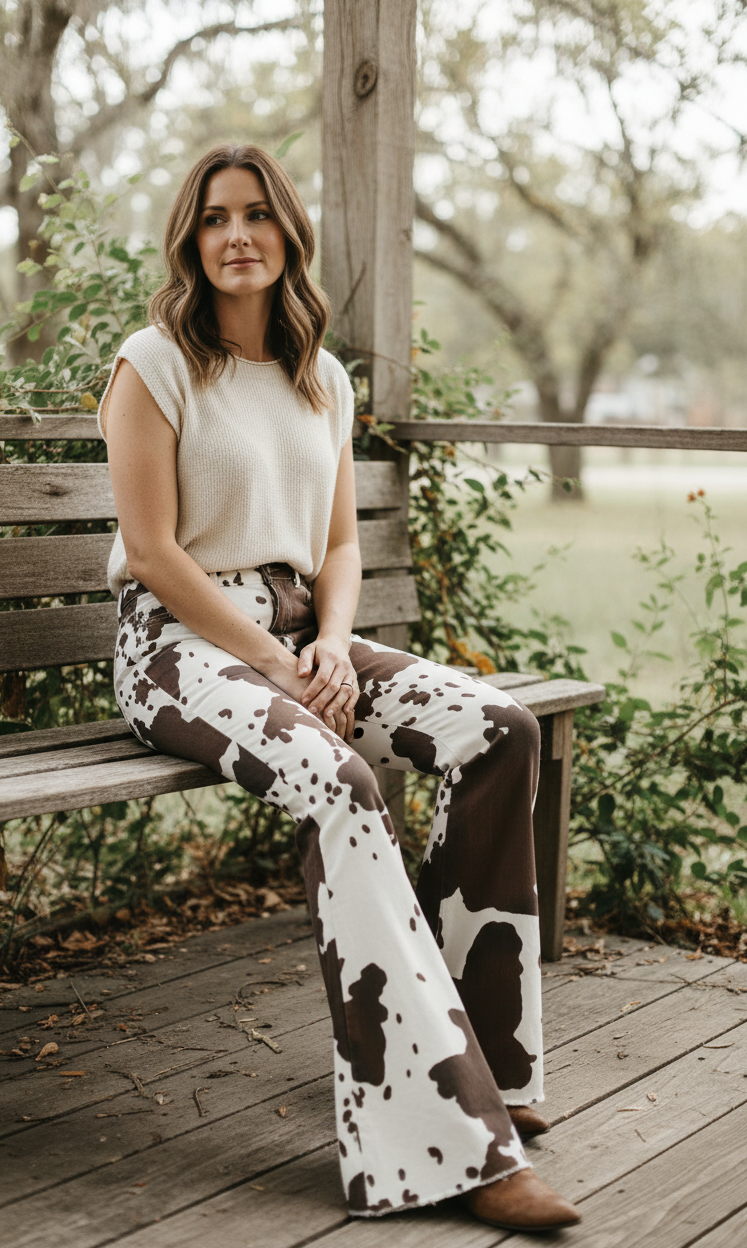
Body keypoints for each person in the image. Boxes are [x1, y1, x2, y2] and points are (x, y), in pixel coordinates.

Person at [99, 142, 580, 1233]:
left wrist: (330, 642)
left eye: (258, 215)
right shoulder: (156, 362)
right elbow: (155, 549)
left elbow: (337, 546)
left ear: (288, 236)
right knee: (336, 779)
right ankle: (450, 1148)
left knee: (496, 727)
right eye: (216, 217)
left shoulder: (321, 376)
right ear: (190, 236)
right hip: (174, 644)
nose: (237, 236)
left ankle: (494, 1065)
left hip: (298, 633)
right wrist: (277, 661)